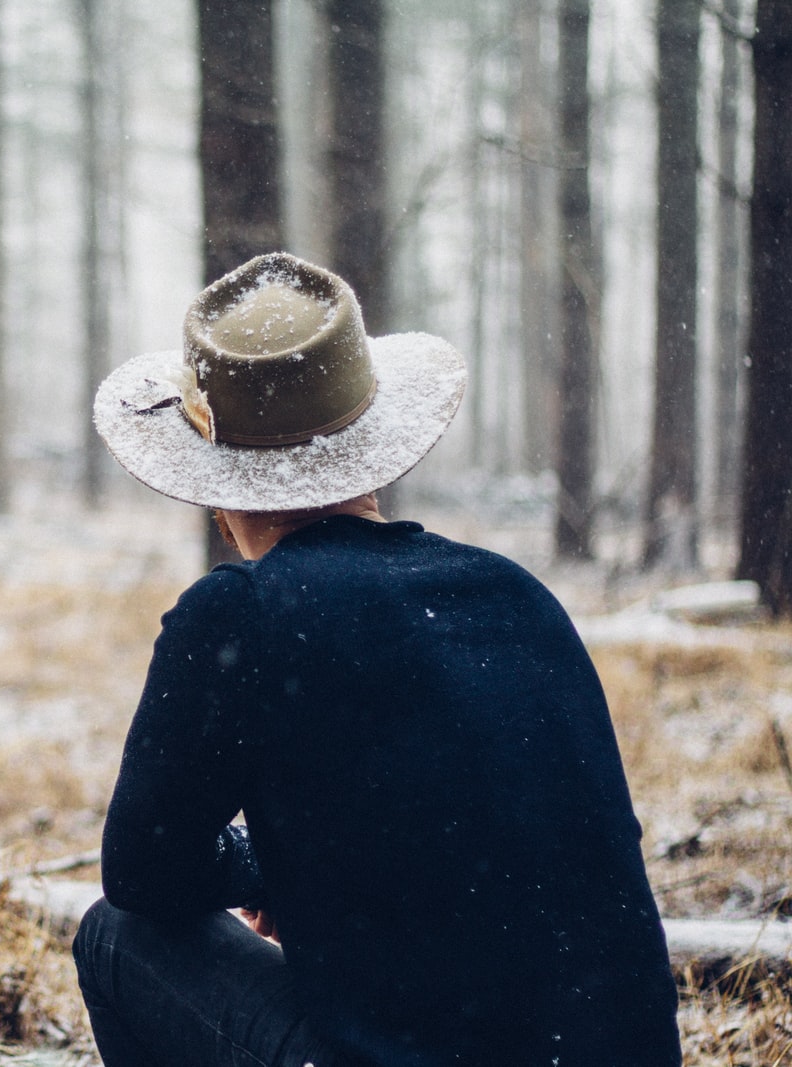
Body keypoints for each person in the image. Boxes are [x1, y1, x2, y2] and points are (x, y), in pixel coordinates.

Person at [74, 253, 681, 1067]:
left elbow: (144, 872)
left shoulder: (240, 615)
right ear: (370, 443)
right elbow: (519, 837)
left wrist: (260, 868)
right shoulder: (517, 594)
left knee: (113, 937)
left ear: (218, 489)